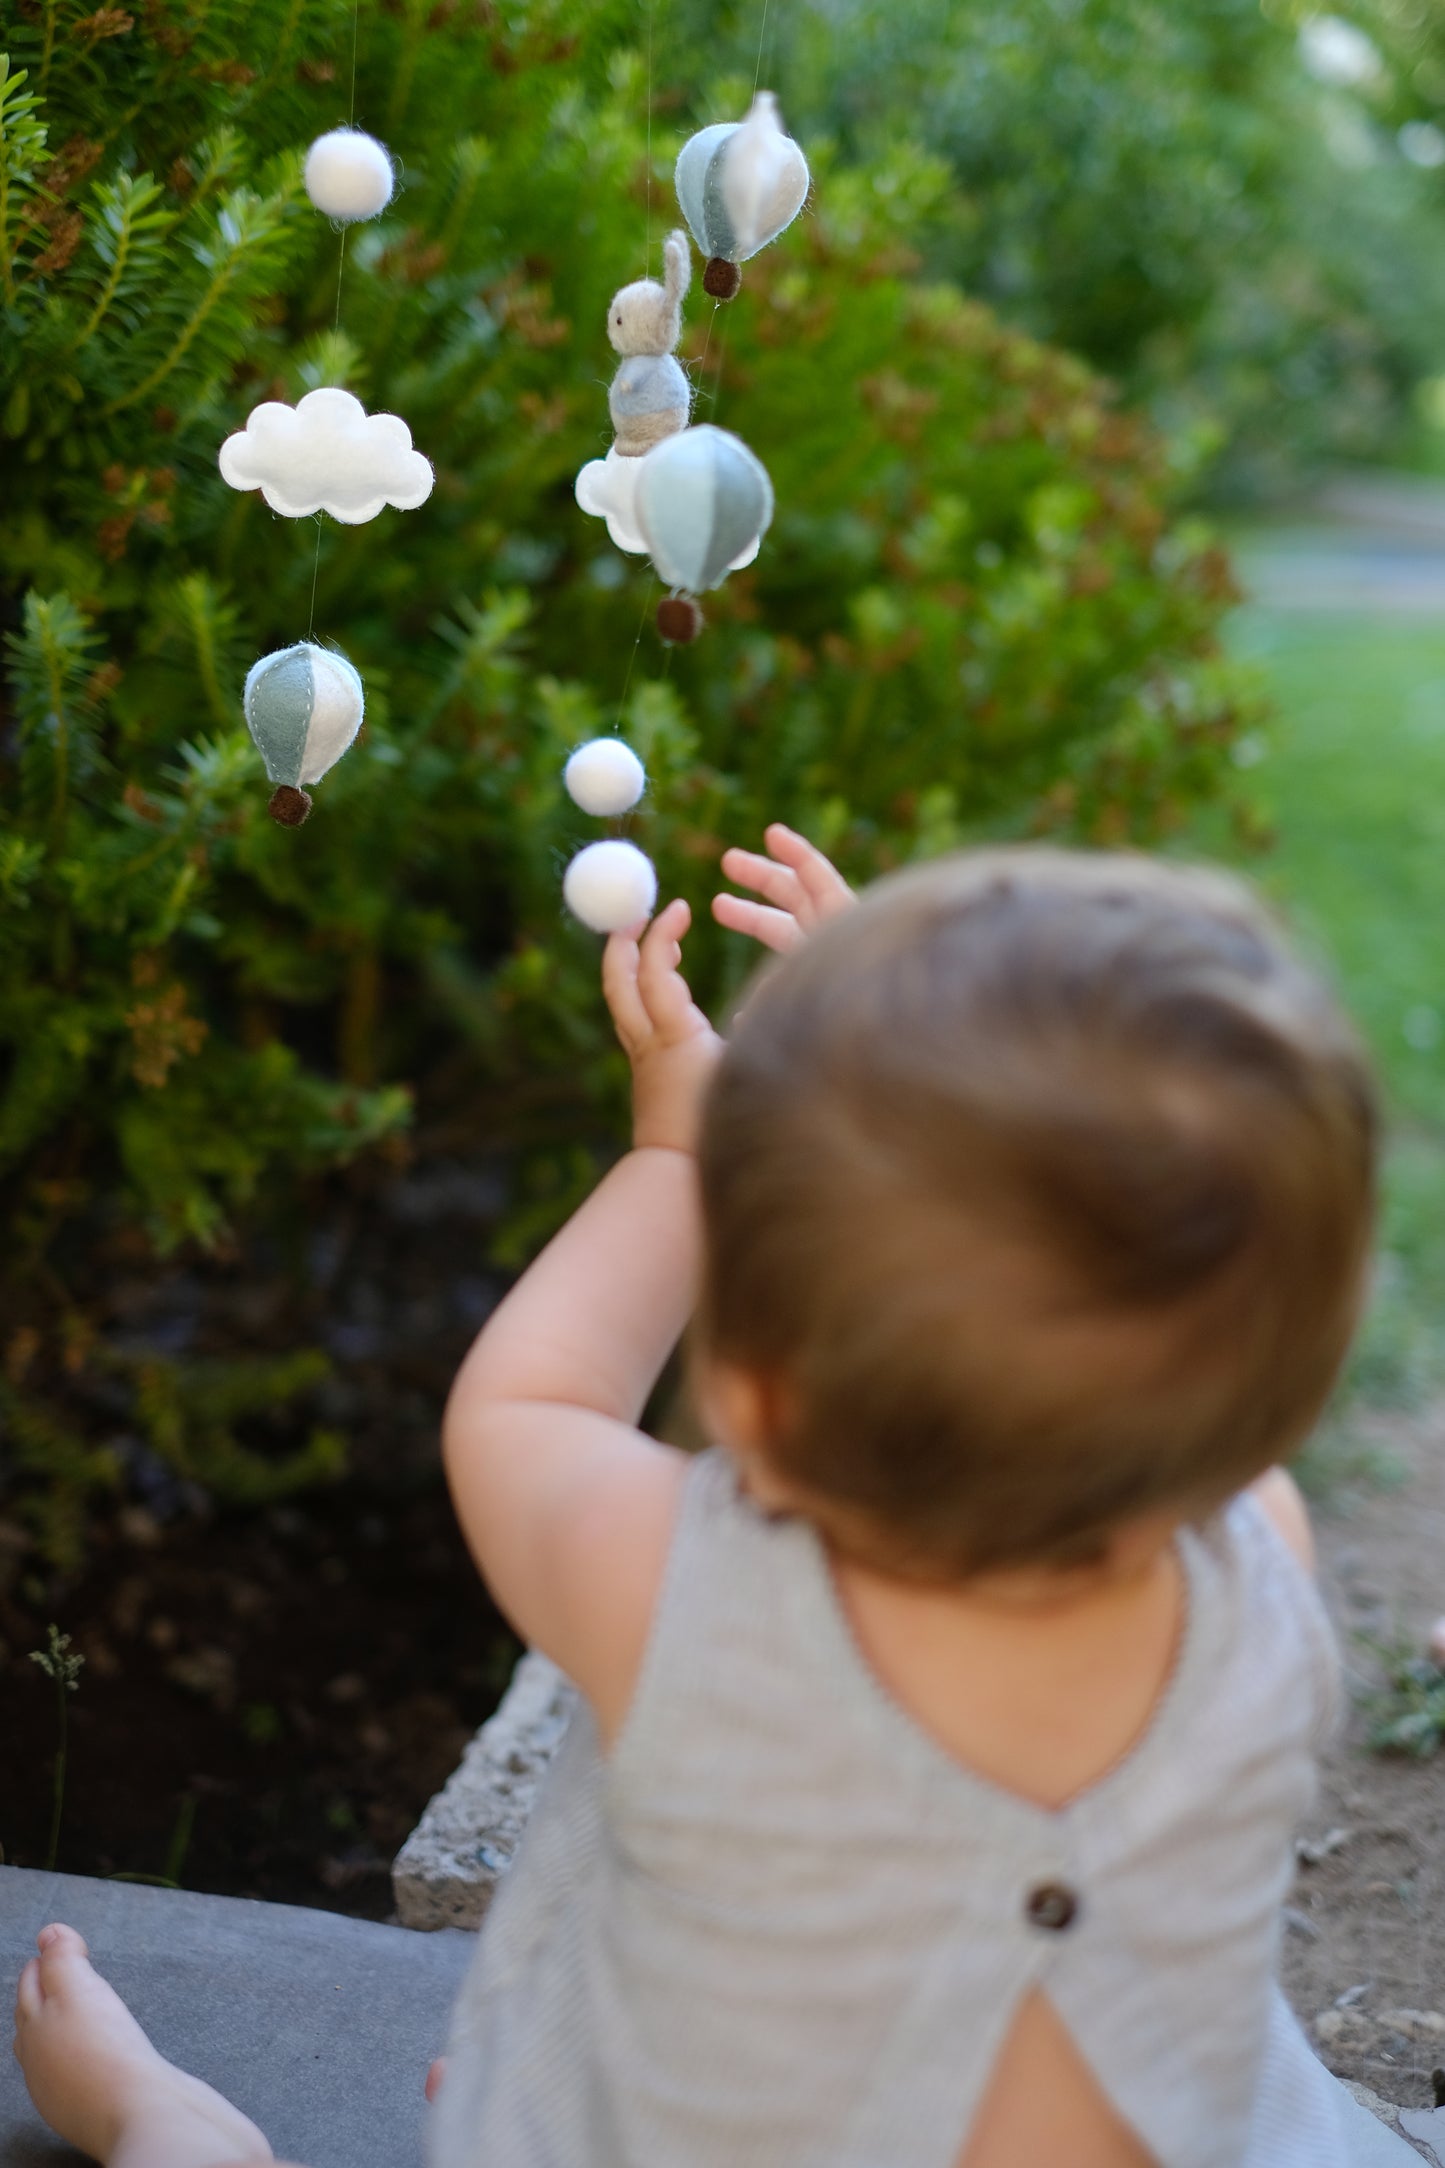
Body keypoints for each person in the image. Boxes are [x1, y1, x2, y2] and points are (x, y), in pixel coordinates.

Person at [12, 826, 1418, 2168]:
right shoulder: (1260, 1554)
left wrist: (681, 1154)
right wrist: (939, 1086)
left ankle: (183, 2135)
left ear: (748, 1397)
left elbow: (530, 1402)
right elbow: (1137, 1294)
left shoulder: (679, 1598)